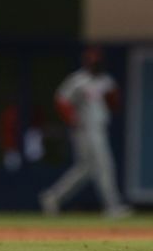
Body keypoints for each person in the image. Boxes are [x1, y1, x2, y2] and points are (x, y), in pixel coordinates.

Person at [38, 47, 132, 218]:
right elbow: (61, 100)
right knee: (105, 165)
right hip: (84, 129)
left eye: (97, 61)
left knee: (85, 169)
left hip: (100, 128)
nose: (95, 64)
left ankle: (53, 197)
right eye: (92, 60)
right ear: (86, 62)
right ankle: (113, 206)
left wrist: (112, 98)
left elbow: (115, 104)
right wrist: (71, 119)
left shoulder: (106, 80)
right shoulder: (78, 80)